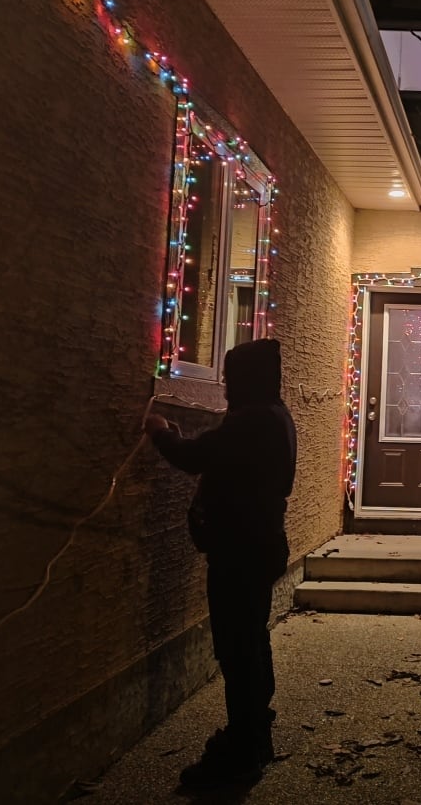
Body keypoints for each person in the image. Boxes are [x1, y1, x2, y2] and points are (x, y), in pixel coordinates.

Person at [144, 338, 297, 789]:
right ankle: (255, 735)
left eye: (231, 378)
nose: (226, 387)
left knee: (237, 649)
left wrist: (159, 431)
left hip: (240, 552)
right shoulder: (274, 415)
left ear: (248, 378)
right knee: (251, 641)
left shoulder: (252, 421)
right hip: (260, 546)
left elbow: (196, 457)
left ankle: (242, 752)